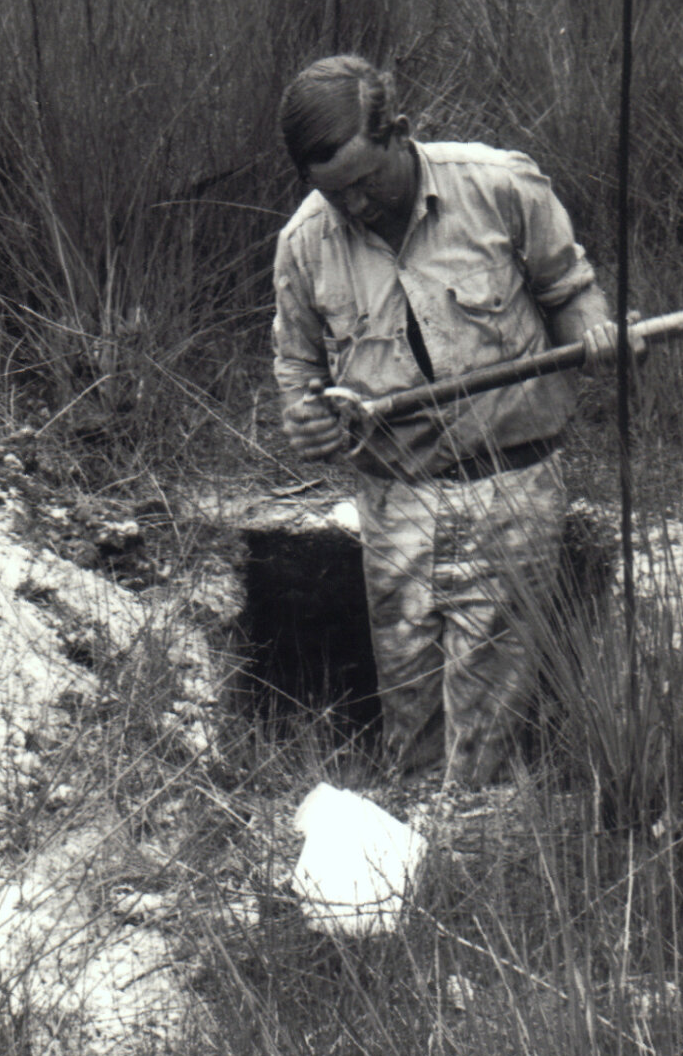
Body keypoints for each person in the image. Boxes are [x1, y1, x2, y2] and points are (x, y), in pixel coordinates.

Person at [272, 55, 639, 785]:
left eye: (366, 183)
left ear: (400, 133)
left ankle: (478, 851)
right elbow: (299, 372)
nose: (358, 207)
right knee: (410, 712)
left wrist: (599, 336)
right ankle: (419, 849)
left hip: (511, 486)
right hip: (393, 502)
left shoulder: (500, 186)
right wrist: (306, 419)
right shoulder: (304, 243)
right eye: (335, 195)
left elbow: (571, 291)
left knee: (488, 722)